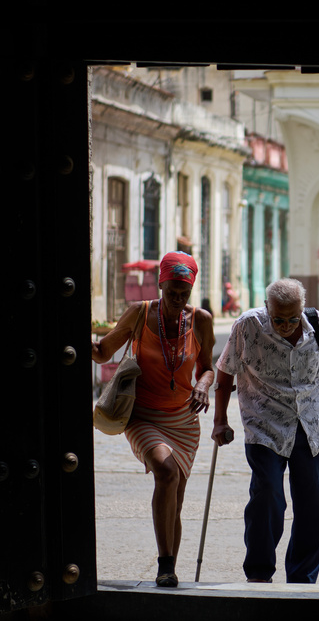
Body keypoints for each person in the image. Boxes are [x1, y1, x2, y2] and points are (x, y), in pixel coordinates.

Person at [92, 251, 216, 587]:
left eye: (183, 293)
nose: (177, 299)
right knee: (165, 470)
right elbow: (103, 351)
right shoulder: (140, 313)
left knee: (174, 501)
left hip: (184, 422)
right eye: (171, 291)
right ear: (160, 284)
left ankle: (170, 569)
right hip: (142, 415)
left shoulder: (201, 320)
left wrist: (203, 385)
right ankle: (164, 564)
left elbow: (208, 367)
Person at [212, 278, 319, 584]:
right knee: (267, 494)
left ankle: (302, 579)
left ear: (301, 309)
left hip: (312, 424)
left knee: (312, 504)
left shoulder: (318, 324)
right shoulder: (247, 326)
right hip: (265, 422)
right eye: (279, 319)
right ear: (268, 308)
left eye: (292, 318)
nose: (286, 325)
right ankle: (259, 573)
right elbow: (226, 370)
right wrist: (220, 420)